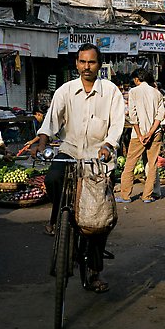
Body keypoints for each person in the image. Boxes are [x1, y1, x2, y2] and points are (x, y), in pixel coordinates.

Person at [32, 43, 125, 293]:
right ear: (76, 64)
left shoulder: (111, 92)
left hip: (99, 159)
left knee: (98, 223)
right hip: (71, 151)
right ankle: (62, 221)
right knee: (52, 179)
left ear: (99, 64)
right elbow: (52, 119)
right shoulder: (66, 90)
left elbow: (117, 124)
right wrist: (42, 140)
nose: (87, 67)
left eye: (91, 62)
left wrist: (109, 144)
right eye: (82, 62)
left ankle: (94, 272)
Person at [115, 68, 165, 204]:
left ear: (137, 79)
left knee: (130, 163)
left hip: (138, 135)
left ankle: (125, 195)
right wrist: (150, 133)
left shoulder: (134, 92)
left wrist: (140, 134)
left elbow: (133, 115)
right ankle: (147, 196)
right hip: (155, 133)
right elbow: (160, 116)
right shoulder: (157, 93)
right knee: (152, 164)